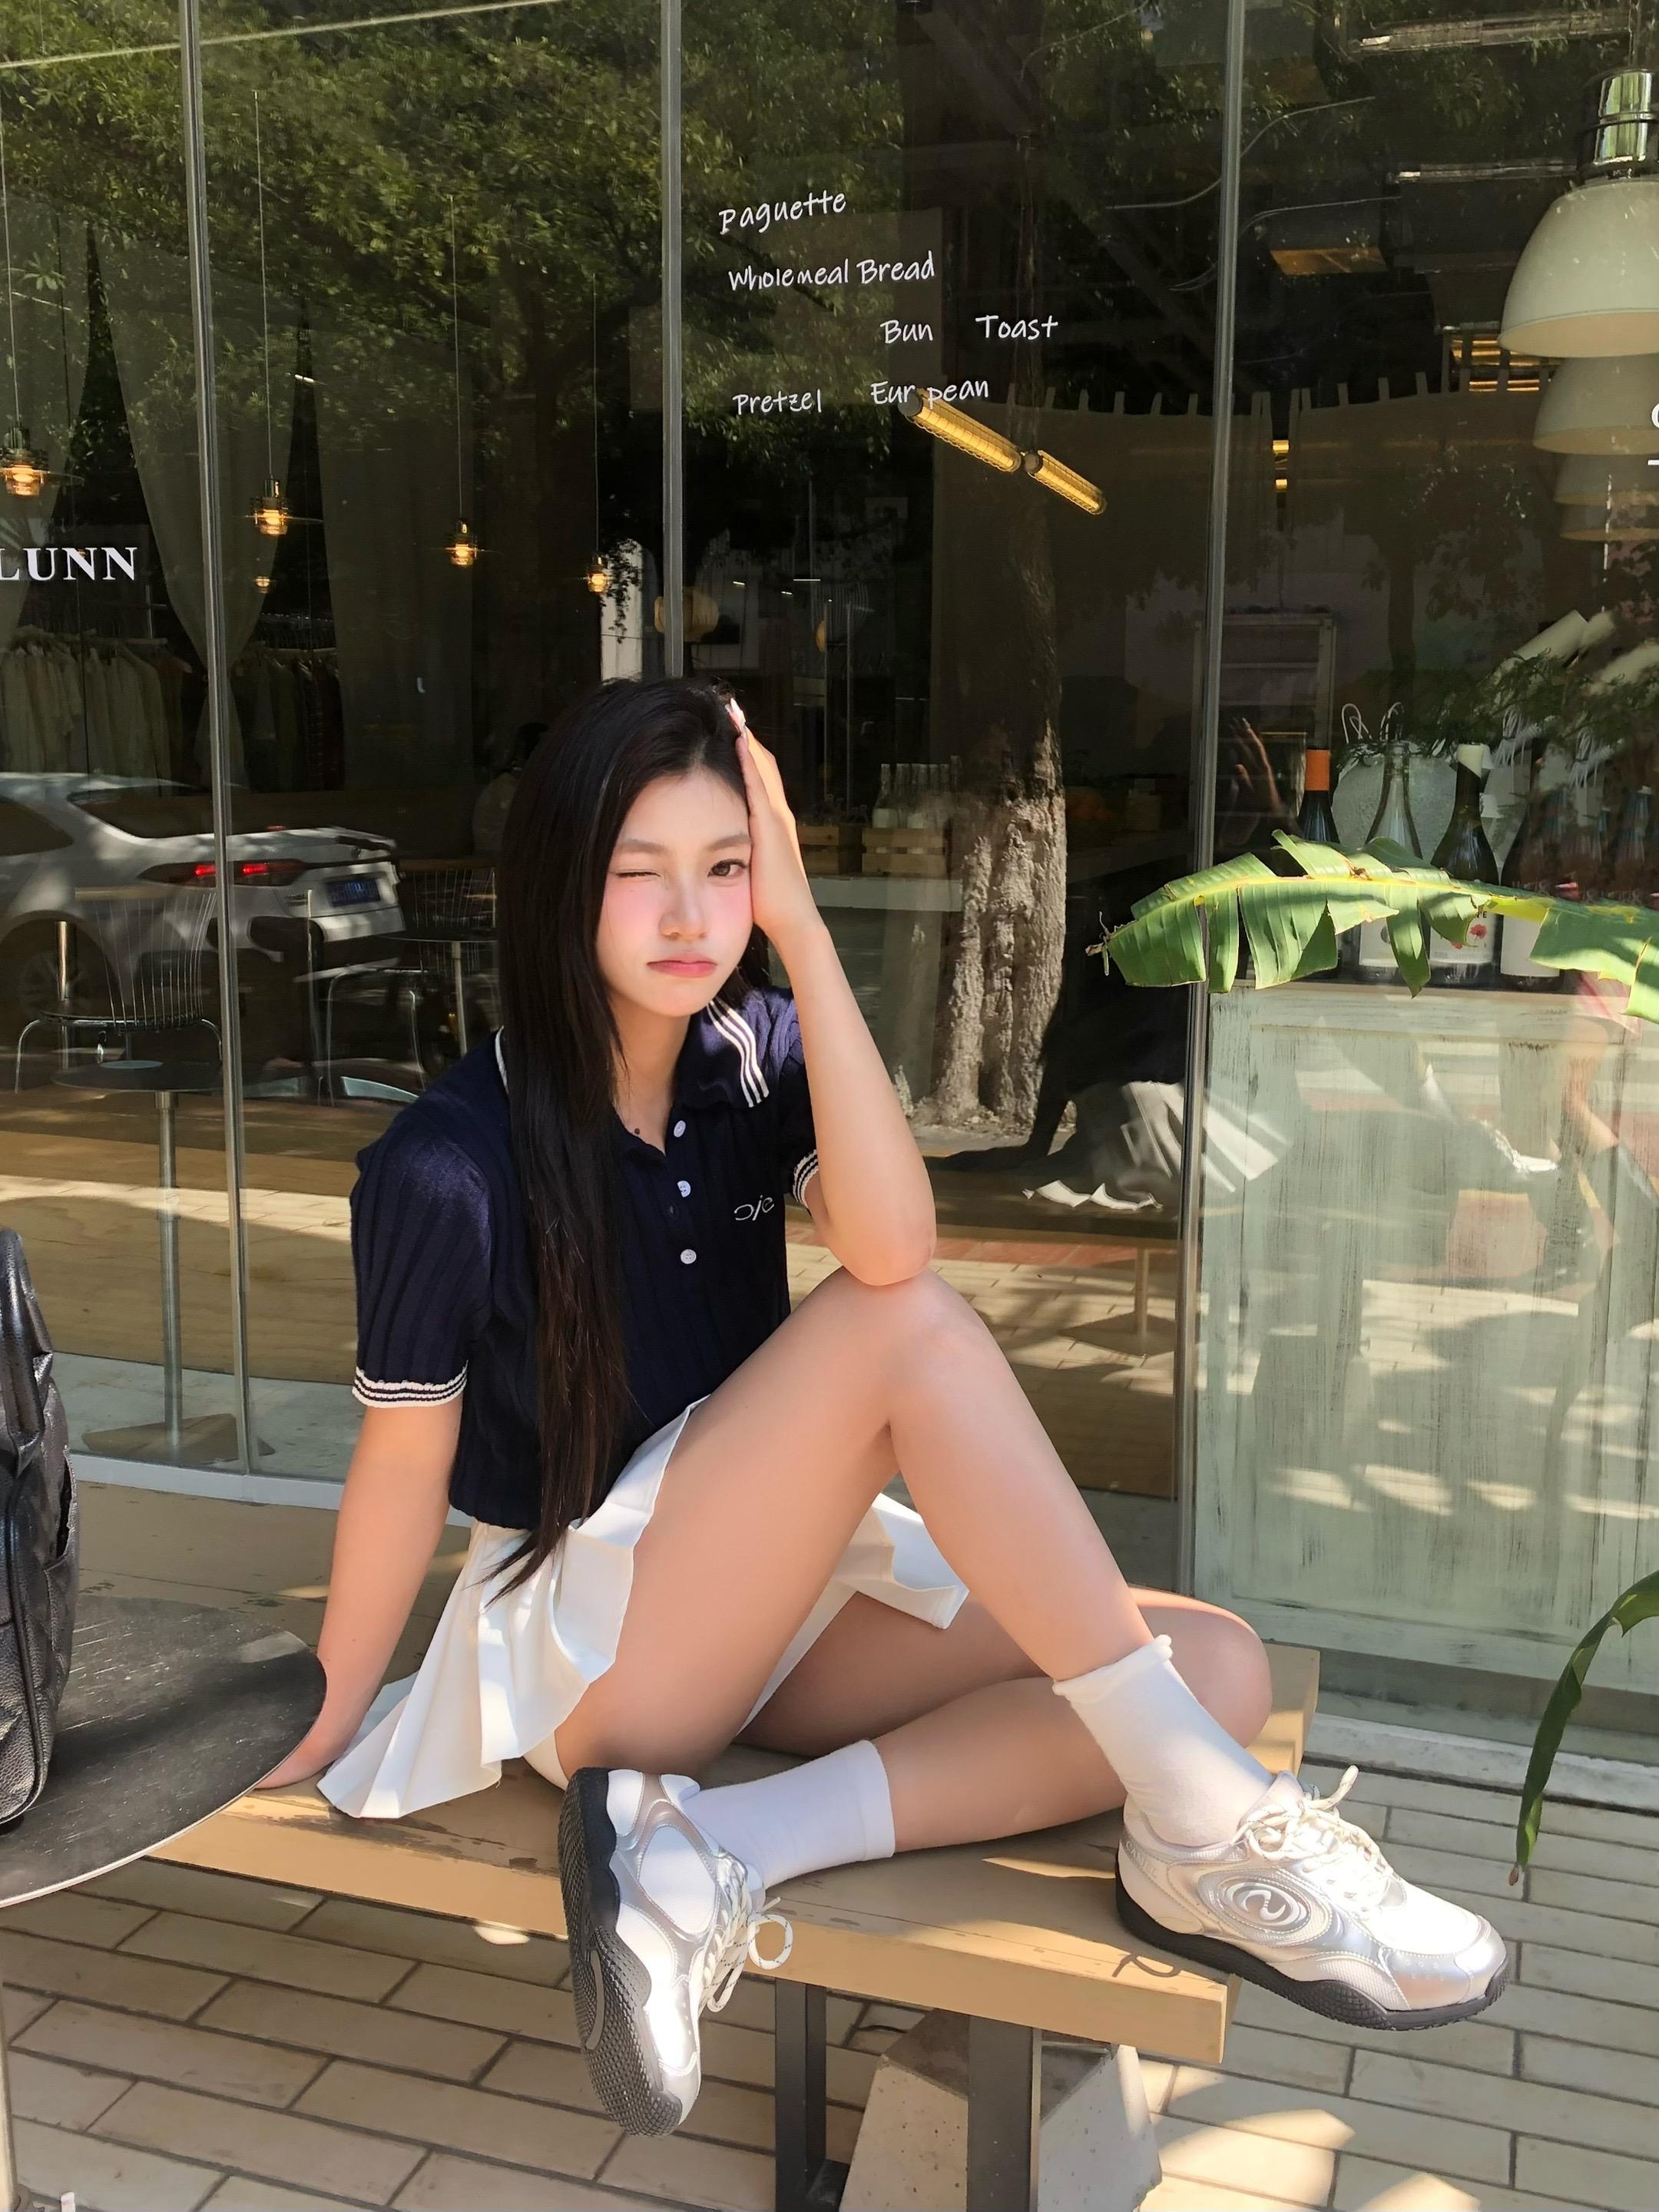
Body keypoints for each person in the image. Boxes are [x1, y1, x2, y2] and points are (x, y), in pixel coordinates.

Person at [260, 677, 1508, 2139]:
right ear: (558, 884)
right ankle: (1216, 1831)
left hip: (765, 1603)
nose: (691, 916)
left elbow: (892, 1225)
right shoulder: (450, 1163)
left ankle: (720, 1847)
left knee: (1216, 1673)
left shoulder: (750, 1059)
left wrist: (803, 937)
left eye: (728, 868)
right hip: (592, 1663)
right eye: (641, 873)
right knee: (895, 1324)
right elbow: (404, 1462)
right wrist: (329, 1707)